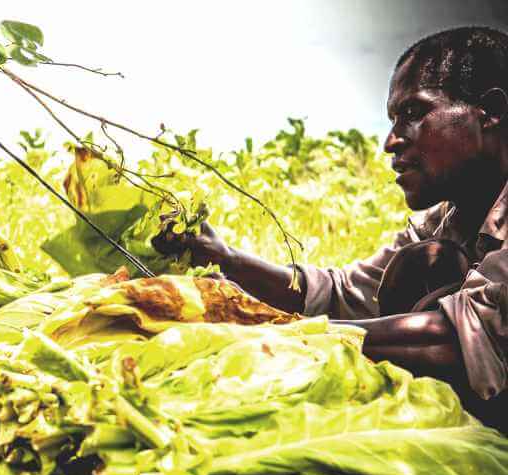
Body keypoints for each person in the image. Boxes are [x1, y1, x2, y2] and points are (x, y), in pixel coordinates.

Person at [153, 26, 508, 431]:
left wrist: (282, 336)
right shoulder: (445, 222)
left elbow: (457, 337)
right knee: (424, 263)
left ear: (490, 112)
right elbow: (341, 293)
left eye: (413, 114)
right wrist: (223, 259)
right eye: (393, 120)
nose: (391, 142)